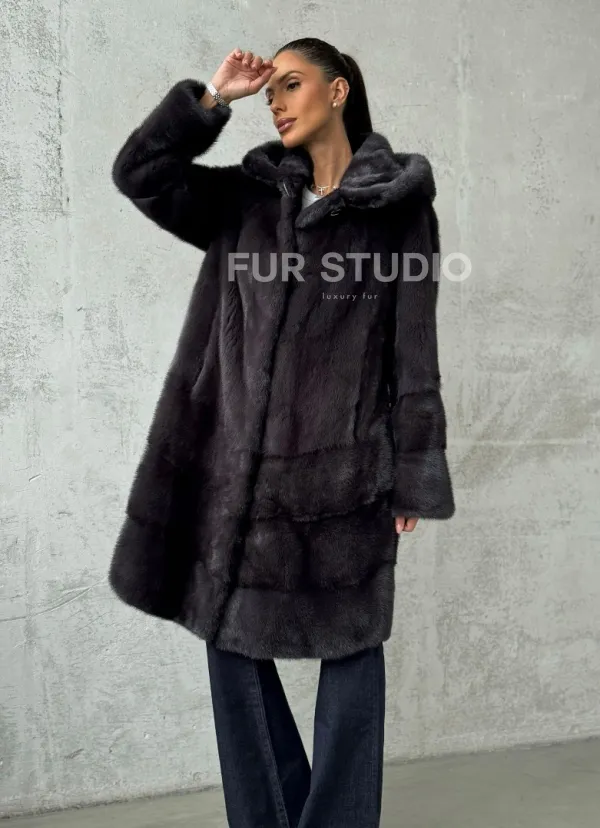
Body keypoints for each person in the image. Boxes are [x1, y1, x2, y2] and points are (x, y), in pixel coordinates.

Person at [108, 37, 455, 828]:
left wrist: (413, 471)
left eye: (291, 85)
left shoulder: (399, 210)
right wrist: (213, 101)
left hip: (345, 471)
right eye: (271, 93)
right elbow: (140, 175)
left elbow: (415, 349)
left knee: (353, 648)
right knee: (226, 636)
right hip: (232, 469)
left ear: (338, 92)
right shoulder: (246, 198)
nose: (277, 102)